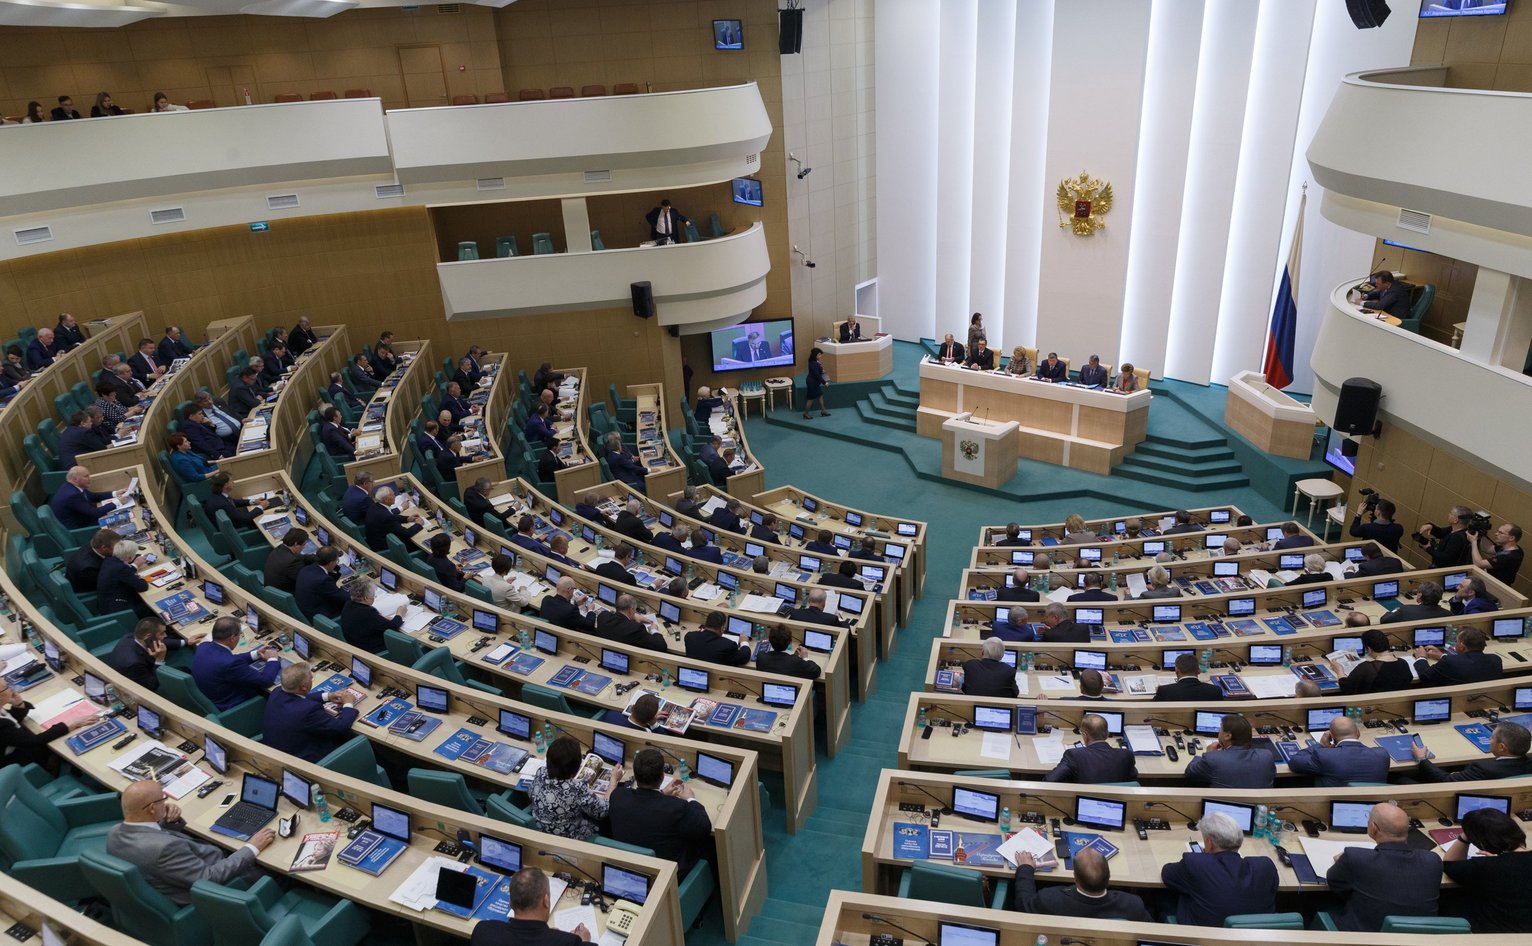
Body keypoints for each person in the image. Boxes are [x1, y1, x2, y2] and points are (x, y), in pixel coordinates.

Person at [106, 781, 274, 907]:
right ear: (151, 808)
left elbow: (149, 837)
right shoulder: (164, 849)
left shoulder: (115, 832)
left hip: (183, 869)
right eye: (162, 800)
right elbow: (209, 878)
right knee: (275, 868)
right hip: (216, 887)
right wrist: (252, 847)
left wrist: (167, 820)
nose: (166, 803)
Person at [1326, 803, 1442, 931]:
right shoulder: (1433, 860)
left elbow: (1335, 884)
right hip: (1419, 938)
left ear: (1373, 828)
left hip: (1365, 937)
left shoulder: (1354, 858)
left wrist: (1341, 862)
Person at [607, 747, 713, 876]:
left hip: (629, 865)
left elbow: (645, 807)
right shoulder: (677, 807)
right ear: (663, 776)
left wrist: (662, 794)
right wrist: (690, 798)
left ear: (635, 774)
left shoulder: (618, 796)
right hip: (669, 872)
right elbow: (704, 827)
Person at [1160, 811, 1277, 927]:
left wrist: (1204, 858)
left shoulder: (1196, 864)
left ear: (1209, 844)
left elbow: (1167, 874)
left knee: (1163, 897)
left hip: (1203, 937)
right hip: (1253, 939)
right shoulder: (1266, 867)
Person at [1438, 808, 1532, 932]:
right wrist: (1499, 859)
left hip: (1497, 933)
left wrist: (1464, 837)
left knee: (1447, 896)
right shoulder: (1493, 865)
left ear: (1482, 843)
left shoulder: (1485, 867)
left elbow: (1450, 864)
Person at [1009, 846, 1150, 920]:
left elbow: (1023, 903)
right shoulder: (1133, 905)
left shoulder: (1049, 899)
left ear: (1075, 878)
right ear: (1109, 878)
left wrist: (1025, 868)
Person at [528, 736, 622, 841]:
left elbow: (530, 794)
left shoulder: (540, 772)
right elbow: (603, 812)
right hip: (567, 838)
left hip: (540, 830)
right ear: (576, 767)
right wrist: (613, 781)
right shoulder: (576, 788)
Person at [469, 868, 594, 946]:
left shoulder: (484, 931)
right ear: (546, 901)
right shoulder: (570, 942)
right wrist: (584, 941)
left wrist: (550, 936)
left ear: (511, 902)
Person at [263, 664, 359, 763]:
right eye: (311, 677)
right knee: (353, 737)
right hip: (305, 760)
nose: (312, 678)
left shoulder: (277, 692)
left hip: (278, 751)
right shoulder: (308, 710)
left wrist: (328, 696)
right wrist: (348, 703)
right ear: (304, 687)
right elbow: (340, 727)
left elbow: (296, 700)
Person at [0, 676, 99, 768]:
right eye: (7, 687)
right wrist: (73, 724)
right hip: (13, 764)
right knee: (63, 747)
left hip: (15, 748)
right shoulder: (2, 726)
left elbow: (11, 722)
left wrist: (18, 704)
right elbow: (34, 741)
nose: (12, 689)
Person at [191, 617, 281, 711]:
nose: (240, 637)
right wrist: (272, 659)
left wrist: (255, 654)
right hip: (234, 705)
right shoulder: (231, 664)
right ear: (232, 638)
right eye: (240, 634)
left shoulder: (203, 646)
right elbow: (265, 681)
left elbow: (226, 659)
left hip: (212, 695)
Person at [1284, 714, 1390, 786]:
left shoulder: (1325, 756)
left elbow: (1294, 762)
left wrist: (1320, 745)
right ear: (1358, 733)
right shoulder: (1382, 755)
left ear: (1332, 737)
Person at [1414, 721, 1532, 782]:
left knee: (1400, 779)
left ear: (1502, 747)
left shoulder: (1483, 768)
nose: (1489, 740)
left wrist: (1422, 759)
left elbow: (1444, 780)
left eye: (1492, 738)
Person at [1185, 713, 1274, 788]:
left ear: (1227, 736)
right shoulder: (1267, 756)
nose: (1219, 732)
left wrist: (1208, 754)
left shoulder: (1212, 758)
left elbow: (1190, 772)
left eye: (1220, 729)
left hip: (1223, 806)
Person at [1044, 714, 1136, 783]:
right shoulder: (1126, 755)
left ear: (1084, 736)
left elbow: (1050, 781)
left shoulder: (1074, 755)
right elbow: (1132, 780)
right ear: (1107, 734)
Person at [1414, 626, 1501, 685]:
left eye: (1456, 641)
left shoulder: (1450, 661)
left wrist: (1421, 657)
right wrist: (1442, 655)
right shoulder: (1496, 659)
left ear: (1462, 646)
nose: (1455, 644)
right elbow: (1461, 661)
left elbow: (1426, 677)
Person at [1336, 628, 1411, 696]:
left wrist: (1340, 671)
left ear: (1368, 649)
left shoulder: (1367, 667)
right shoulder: (1403, 663)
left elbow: (1347, 688)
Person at [96, 539, 153, 618]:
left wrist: (135, 565)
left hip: (106, 601)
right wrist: (141, 578)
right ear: (130, 557)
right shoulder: (121, 568)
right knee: (151, 605)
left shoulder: (109, 559)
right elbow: (143, 587)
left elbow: (123, 573)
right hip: (119, 611)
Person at [593, 594, 667, 651]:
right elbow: (661, 646)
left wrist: (633, 616)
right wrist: (654, 630)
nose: (635, 611)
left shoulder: (603, 616)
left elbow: (619, 618)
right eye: (635, 609)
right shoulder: (636, 628)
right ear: (631, 610)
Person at [294, 547, 347, 621]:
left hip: (306, 609)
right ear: (331, 563)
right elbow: (344, 597)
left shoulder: (306, 569)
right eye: (336, 561)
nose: (337, 563)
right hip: (320, 617)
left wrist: (333, 567)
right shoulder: (323, 580)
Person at [364, 486, 423, 551]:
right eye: (393, 495)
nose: (395, 496)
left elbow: (391, 515)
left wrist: (407, 518)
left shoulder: (375, 506)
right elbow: (406, 534)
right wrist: (418, 524)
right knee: (420, 545)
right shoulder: (386, 517)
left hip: (376, 541)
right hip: (386, 548)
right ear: (386, 499)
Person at [685, 612, 750, 666]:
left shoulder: (690, 637)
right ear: (722, 628)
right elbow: (744, 658)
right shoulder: (728, 645)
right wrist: (744, 642)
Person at [1154, 653, 1224, 702]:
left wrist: (1158, 693)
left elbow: (1152, 708)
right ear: (1198, 670)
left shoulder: (1164, 691)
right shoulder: (1215, 691)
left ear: (1176, 671)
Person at [68, 528, 120, 594]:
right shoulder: (88, 569)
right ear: (104, 548)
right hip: (92, 592)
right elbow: (112, 584)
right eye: (116, 547)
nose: (119, 549)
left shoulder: (94, 544)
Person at [263, 527, 314, 593]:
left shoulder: (279, 549)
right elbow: (307, 580)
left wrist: (315, 558)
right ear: (296, 544)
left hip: (272, 590)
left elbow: (298, 556)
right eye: (303, 545)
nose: (303, 548)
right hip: (287, 593)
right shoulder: (292, 563)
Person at [1380, 580, 1450, 624]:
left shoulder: (1405, 610)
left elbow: (1384, 619)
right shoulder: (1448, 614)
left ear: (1420, 595)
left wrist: (1393, 611)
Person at [803, 347, 830, 418]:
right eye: (819, 355)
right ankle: (806, 413)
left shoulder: (816, 362)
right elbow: (817, 375)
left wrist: (821, 371)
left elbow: (818, 371)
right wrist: (824, 383)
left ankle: (823, 411)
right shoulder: (813, 363)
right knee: (810, 399)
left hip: (815, 383)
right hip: (812, 383)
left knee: (820, 395)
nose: (820, 356)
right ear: (815, 355)